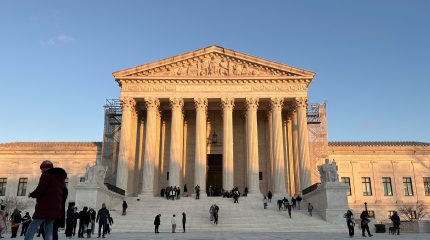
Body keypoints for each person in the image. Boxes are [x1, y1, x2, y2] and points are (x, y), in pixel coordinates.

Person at [24, 160, 67, 240]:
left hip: (45, 206)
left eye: (42, 168)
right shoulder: (60, 179)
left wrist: (32, 194)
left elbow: (41, 188)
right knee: (49, 229)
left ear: (46, 168)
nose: (41, 170)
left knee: (33, 226)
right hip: (55, 208)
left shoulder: (46, 175)